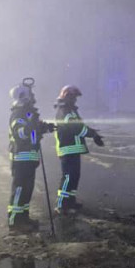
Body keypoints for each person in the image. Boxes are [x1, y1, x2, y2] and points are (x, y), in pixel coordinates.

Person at [8, 81, 55, 232]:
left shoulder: (28, 114)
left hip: (29, 157)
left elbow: (33, 133)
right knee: (20, 191)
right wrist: (33, 126)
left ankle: (23, 218)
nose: (33, 97)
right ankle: (15, 221)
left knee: (27, 190)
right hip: (21, 158)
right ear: (24, 96)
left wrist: (44, 128)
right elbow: (21, 134)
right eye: (31, 94)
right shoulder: (18, 114)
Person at [54, 85, 104, 214]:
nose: (75, 100)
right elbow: (76, 128)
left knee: (74, 176)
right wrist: (92, 134)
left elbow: (79, 126)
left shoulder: (70, 110)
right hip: (68, 149)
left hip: (73, 149)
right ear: (67, 96)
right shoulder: (65, 111)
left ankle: (70, 201)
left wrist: (92, 132)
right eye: (73, 97)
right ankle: (62, 205)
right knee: (68, 177)